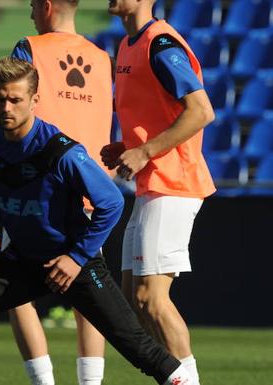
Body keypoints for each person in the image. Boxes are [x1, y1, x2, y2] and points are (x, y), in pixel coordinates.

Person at [0, 56, 195, 385]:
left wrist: (76, 257)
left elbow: (110, 203)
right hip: (23, 261)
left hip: (75, 265)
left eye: (16, 99)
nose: (6, 107)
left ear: (34, 100)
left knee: (137, 346)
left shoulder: (61, 151)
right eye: (0, 98)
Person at [101, 1, 216, 385]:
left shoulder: (161, 43)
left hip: (174, 182)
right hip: (152, 183)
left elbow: (201, 111)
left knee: (152, 297)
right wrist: (127, 145)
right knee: (136, 299)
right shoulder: (128, 44)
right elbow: (155, 114)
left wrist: (146, 150)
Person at [8, 1, 114, 384]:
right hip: (88, 186)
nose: (32, 13)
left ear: (48, 6)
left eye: (34, 5)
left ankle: (43, 382)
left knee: (16, 291)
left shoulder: (30, 48)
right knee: (90, 296)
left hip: (37, 186)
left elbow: (15, 113)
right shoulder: (102, 58)